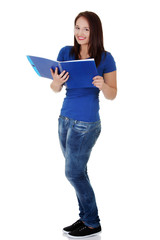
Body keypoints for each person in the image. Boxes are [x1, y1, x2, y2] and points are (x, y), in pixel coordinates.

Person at [50, 11, 117, 238]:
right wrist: (56, 83)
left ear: (94, 32)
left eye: (86, 29)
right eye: (77, 27)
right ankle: (85, 217)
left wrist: (102, 85)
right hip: (64, 120)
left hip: (86, 123)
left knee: (73, 173)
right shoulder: (65, 52)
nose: (80, 33)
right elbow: (55, 89)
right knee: (79, 172)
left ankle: (92, 222)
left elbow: (113, 94)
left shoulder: (105, 58)